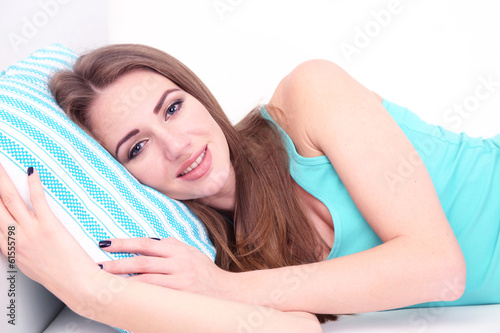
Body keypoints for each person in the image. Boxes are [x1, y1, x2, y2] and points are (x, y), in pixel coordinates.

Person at [1, 43, 499, 332]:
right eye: (137, 148)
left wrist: (224, 288)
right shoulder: (204, 256)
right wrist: (87, 290)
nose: (176, 145)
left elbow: (439, 271)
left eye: (172, 107)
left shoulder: (308, 98)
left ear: (198, 94)